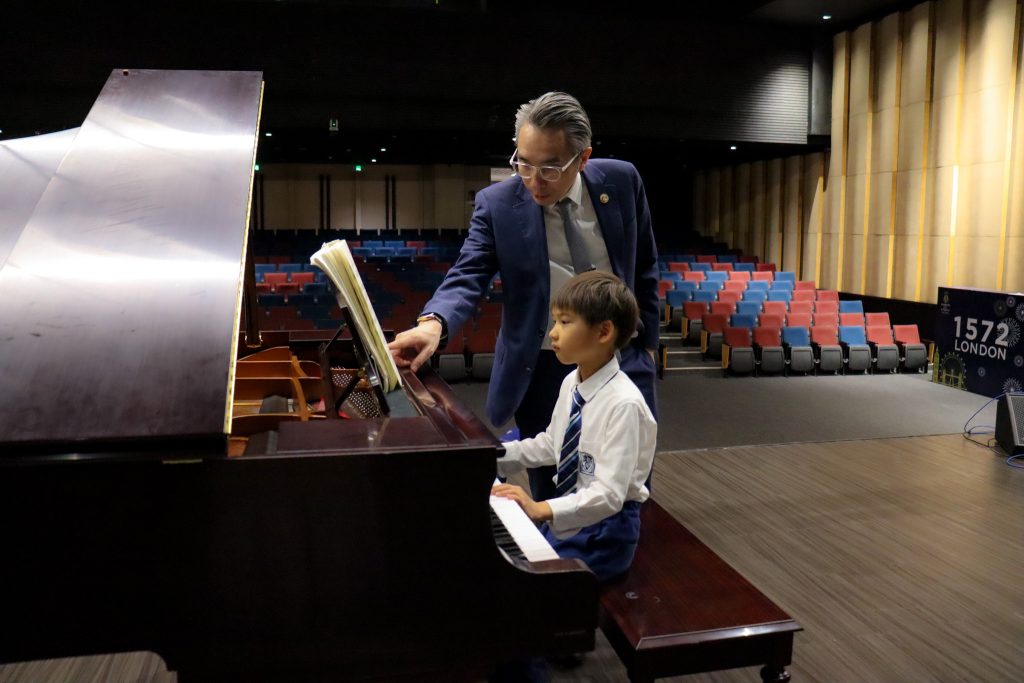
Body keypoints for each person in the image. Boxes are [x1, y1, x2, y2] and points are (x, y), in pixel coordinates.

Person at [387, 91, 659, 501]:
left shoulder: (622, 181)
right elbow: (468, 272)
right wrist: (434, 324)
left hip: (622, 360)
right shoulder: (497, 204)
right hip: (545, 365)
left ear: (583, 158)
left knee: (627, 489)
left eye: (549, 167)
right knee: (550, 489)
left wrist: (647, 346)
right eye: (523, 163)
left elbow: (645, 267)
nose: (533, 180)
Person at [491, 271, 656, 583]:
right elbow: (550, 444)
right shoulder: (572, 381)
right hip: (576, 513)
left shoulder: (624, 404)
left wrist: (540, 508)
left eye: (565, 322)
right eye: (554, 322)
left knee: (529, 581)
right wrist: (492, 455)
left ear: (604, 331)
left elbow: (609, 496)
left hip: (608, 532)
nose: (553, 333)